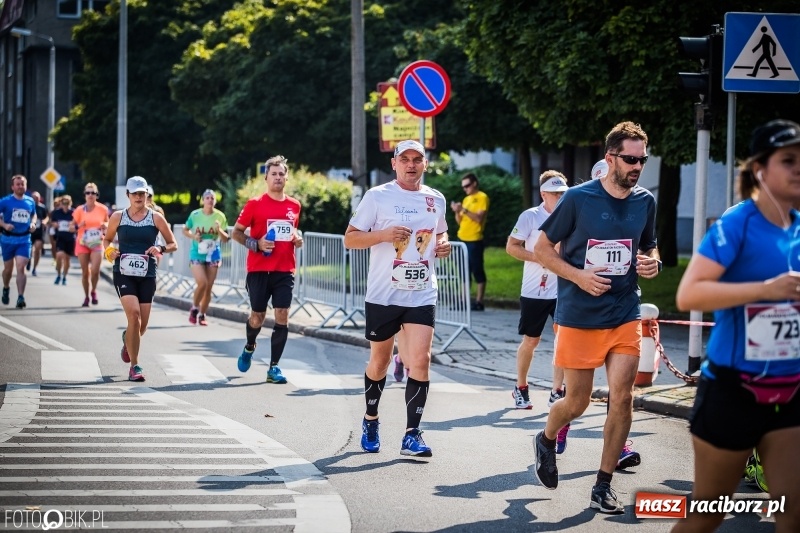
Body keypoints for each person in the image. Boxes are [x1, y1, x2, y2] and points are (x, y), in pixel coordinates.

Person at [672, 119, 800, 533]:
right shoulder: (736, 224)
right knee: (707, 515)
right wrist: (766, 290)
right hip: (732, 389)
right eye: (789, 160)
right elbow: (689, 296)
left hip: (791, 389)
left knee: (792, 512)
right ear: (760, 169)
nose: (799, 168)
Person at [532, 121, 661, 514]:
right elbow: (541, 249)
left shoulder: (645, 201)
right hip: (580, 314)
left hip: (624, 311)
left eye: (642, 159)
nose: (637, 166)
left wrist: (651, 263)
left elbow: (651, 247)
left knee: (623, 397)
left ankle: (602, 485)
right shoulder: (578, 199)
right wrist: (578, 276)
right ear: (610, 158)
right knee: (577, 402)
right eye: (630, 159)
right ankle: (547, 437)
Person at [344, 139, 451, 457]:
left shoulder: (436, 199)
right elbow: (350, 239)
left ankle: (412, 434)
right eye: (404, 159)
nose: (411, 164)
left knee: (421, 359)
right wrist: (384, 234)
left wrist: (443, 243)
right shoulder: (377, 197)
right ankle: (371, 418)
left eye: (417, 159)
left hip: (421, 292)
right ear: (394, 163)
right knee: (380, 361)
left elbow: (440, 231)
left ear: (425, 164)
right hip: (383, 293)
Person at [232, 155, 303, 384]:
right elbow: (237, 232)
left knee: (282, 315)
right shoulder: (255, 204)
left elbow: (291, 233)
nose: (278, 177)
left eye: (282, 174)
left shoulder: (294, 205)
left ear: (286, 177)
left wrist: (297, 238)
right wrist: (257, 244)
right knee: (258, 317)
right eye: (274, 174)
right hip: (259, 269)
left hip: (284, 270)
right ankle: (250, 345)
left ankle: (274, 367)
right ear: (266, 177)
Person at [102, 176, 177, 382]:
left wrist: (160, 248)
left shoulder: (155, 218)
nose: (138, 197)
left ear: (147, 195)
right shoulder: (118, 217)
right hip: (123, 272)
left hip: (147, 274)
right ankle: (135, 366)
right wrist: (109, 251)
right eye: (134, 193)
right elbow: (107, 239)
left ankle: (128, 338)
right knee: (133, 315)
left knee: (141, 326)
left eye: (142, 193)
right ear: (128, 195)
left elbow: (173, 244)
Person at [506, 170, 567, 413]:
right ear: (544, 194)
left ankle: (557, 391)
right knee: (532, 340)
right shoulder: (530, 217)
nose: (560, 197)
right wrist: (539, 257)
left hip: (563, 288)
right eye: (555, 193)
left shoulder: (569, 215)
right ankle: (520, 387)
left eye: (563, 193)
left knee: (563, 340)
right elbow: (511, 247)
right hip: (534, 289)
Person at [184, 189, 229, 326]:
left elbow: (226, 238)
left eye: (212, 198)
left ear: (215, 201)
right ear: (203, 200)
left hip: (213, 254)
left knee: (209, 287)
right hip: (197, 253)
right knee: (202, 283)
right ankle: (195, 307)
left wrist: (219, 229)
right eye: (207, 198)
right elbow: (185, 229)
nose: (210, 200)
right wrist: (193, 236)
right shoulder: (195, 215)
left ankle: (202, 314)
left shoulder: (220, 216)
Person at [450, 172, 489, 310]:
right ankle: (463, 301)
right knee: (463, 270)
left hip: (474, 239)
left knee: (477, 269)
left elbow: (478, 219)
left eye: (467, 186)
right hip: (462, 238)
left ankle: (479, 301)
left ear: (474, 184)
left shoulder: (482, 197)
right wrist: (456, 211)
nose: (465, 189)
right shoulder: (466, 199)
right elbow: (459, 221)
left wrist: (463, 210)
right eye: (463, 187)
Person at [0, 175, 37, 309]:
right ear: (13, 187)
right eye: (18, 184)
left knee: (21, 266)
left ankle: (21, 297)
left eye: (23, 184)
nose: (20, 186)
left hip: (24, 239)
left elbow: (34, 214)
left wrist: (33, 223)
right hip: (8, 239)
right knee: (8, 269)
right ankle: (5, 287)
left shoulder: (30, 201)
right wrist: (4, 225)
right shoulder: (5, 201)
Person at [73, 182, 109, 304]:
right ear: (84, 195)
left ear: (96, 195)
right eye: (88, 193)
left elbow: (108, 224)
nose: (90, 195)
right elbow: (71, 227)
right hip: (82, 242)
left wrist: (106, 225)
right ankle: (86, 296)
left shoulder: (102, 209)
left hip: (97, 242)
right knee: (85, 272)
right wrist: (79, 225)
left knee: (95, 270)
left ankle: (93, 291)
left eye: (93, 193)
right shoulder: (79, 210)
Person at [49, 195, 76, 285]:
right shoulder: (57, 213)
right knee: (59, 255)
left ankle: (64, 276)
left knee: (67, 259)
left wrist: (73, 226)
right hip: (60, 237)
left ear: (70, 203)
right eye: (64, 203)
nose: (65, 205)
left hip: (70, 238)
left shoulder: (73, 213)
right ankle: (58, 274)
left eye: (67, 203)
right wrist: (55, 224)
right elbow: (52, 222)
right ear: (61, 203)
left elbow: (77, 224)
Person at [27, 191, 49, 276]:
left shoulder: (42, 207)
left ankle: (34, 268)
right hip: (29, 231)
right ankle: (28, 261)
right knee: (29, 249)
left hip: (39, 231)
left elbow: (47, 217)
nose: (35, 199)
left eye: (37, 197)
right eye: (34, 197)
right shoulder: (28, 206)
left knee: (38, 248)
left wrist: (45, 221)